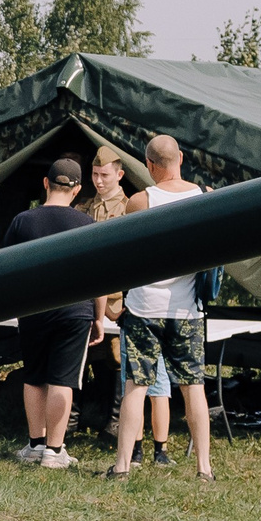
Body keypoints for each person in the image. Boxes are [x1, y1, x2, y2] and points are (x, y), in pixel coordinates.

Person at [103, 135, 215, 480]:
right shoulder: (205, 198)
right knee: (193, 386)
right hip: (187, 310)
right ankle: (204, 468)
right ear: (180, 158)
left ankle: (122, 466)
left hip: (143, 306)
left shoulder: (140, 201)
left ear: (149, 165)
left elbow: (123, 257)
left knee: (136, 386)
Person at [3, 157, 97, 469]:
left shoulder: (22, 221)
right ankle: (55, 451)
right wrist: (98, 318)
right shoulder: (87, 225)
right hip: (75, 311)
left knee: (34, 376)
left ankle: (35, 444)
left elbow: (6, 269)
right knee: (63, 379)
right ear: (78, 189)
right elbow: (101, 278)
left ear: (45, 183)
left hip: (33, 309)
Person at [81, 146, 172, 462]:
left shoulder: (132, 206)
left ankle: (121, 425)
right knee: (95, 362)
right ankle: (90, 419)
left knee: (127, 369)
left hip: (120, 302)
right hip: (93, 300)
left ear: (119, 175)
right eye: (94, 174)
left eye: (104, 175)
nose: (98, 180)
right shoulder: (85, 208)